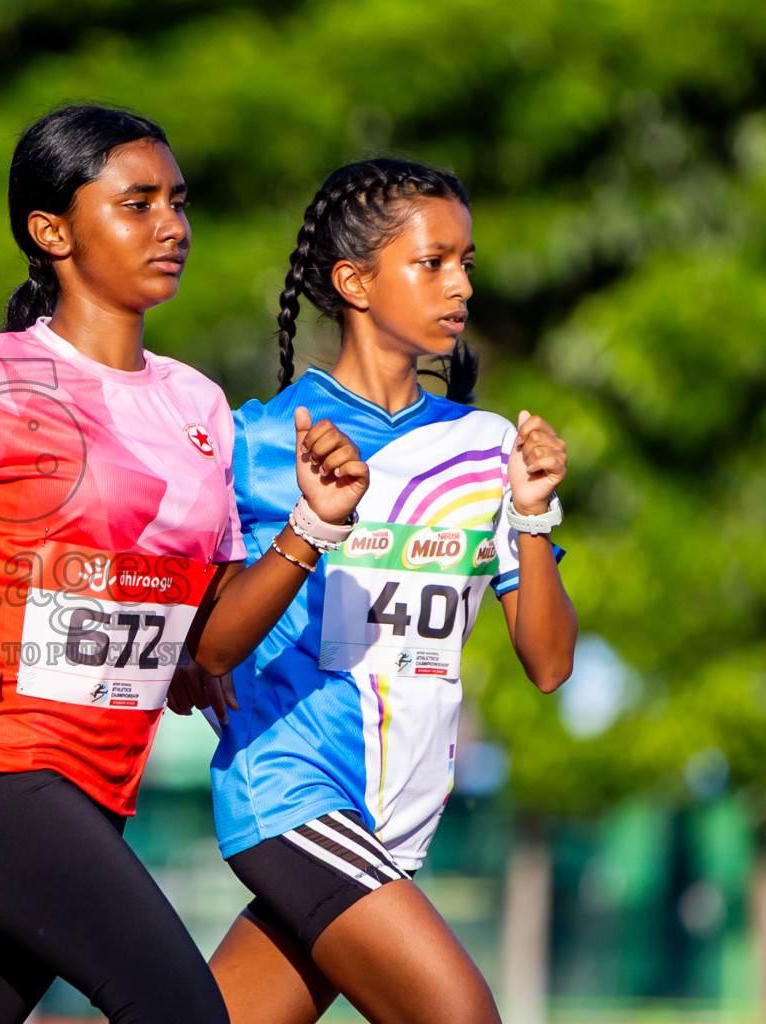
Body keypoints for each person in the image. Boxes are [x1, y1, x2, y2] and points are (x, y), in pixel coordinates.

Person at [0, 103, 369, 1024]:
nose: (172, 226)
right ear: (52, 231)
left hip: (99, 783)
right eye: (137, 204)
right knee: (181, 1011)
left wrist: (313, 526)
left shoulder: (200, 405)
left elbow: (211, 643)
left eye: (177, 202)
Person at [176, 159, 578, 1024]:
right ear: (353, 281)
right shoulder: (257, 441)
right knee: (460, 1015)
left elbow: (548, 663)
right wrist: (308, 533)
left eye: (466, 261)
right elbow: (206, 648)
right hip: (290, 789)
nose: (460, 284)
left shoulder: (487, 446)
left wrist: (533, 515)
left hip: (400, 815)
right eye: (432, 262)